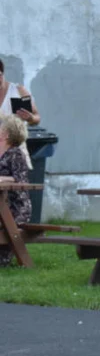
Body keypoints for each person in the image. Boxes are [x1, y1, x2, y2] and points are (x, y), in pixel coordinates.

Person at [0, 113, 31, 266]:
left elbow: (21, 179)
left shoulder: (15, 154)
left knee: (6, 228)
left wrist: (2, 179)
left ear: (6, 134)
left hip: (15, 206)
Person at [0, 57, 42, 168]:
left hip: (15, 149)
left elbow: (37, 118)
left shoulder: (18, 91)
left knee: (17, 183)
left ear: (2, 73)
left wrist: (30, 118)